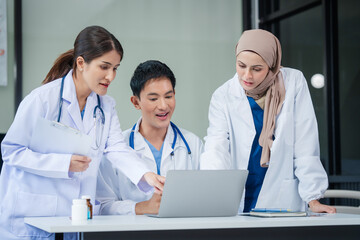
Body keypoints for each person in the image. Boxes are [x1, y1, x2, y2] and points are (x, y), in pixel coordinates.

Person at [0, 26, 165, 239]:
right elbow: (11, 151)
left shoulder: (105, 106)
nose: (110, 76)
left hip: (73, 220)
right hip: (30, 217)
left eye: (115, 68)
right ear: (81, 63)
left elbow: (116, 148)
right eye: (104, 67)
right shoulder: (42, 99)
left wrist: (146, 174)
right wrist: (63, 164)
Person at [200, 29, 336, 214]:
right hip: (240, 193)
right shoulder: (223, 95)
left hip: (281, 192)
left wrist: (313, 198)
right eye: (241, 65)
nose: (247, 76)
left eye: (257, 69)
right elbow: (216, 147)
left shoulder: (293, 83)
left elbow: (305, 142)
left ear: (272, 65)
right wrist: (210, 192)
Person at [96, 60, 203, 215]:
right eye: (153, 99)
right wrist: (141, 208)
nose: (163, 106)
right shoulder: (117, 148)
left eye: (168, 96)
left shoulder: (192, 144)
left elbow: (205, 197)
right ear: (135, 102)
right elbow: (103, 206)